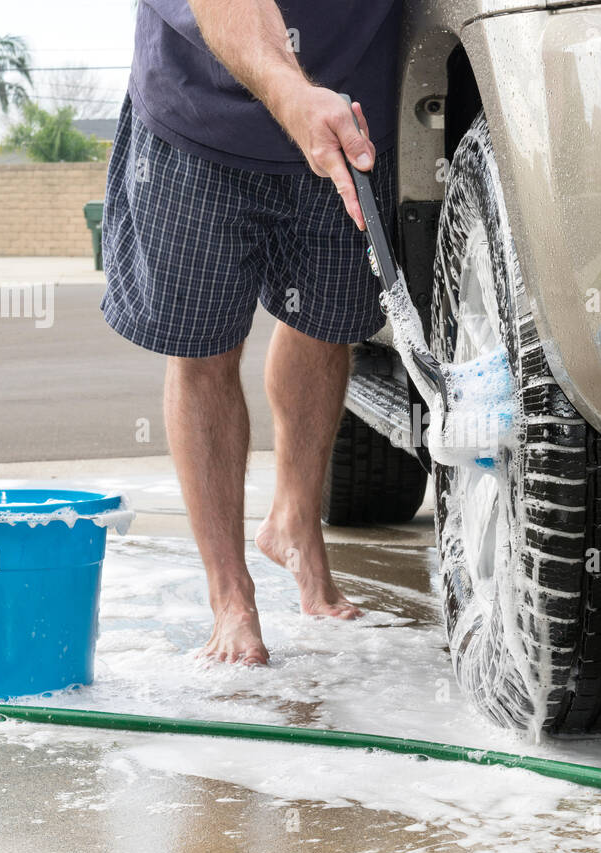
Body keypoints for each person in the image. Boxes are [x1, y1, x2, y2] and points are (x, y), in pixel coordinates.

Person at [101, 0, 404, 665]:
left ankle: (295, 523)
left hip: (351, 98)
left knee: (324, 323)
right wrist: (292, 93)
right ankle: (230, 596)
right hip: (198, 113)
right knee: (203, 350)